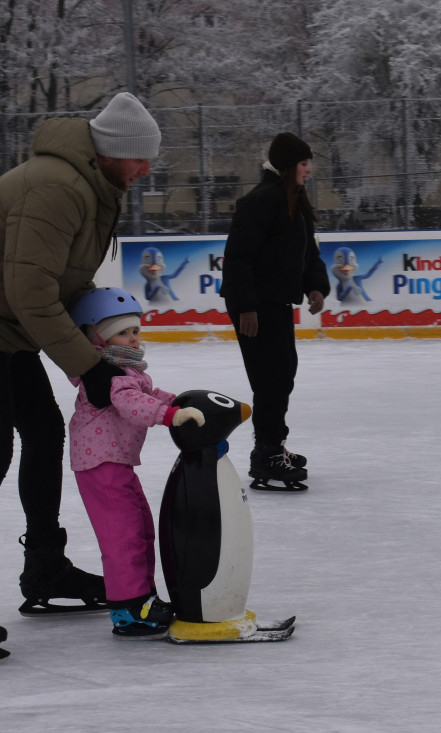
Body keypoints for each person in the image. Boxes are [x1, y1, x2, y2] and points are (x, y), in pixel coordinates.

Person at [0, 91, 162, 661]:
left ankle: (45, 566)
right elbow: (31, 291)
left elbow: (60, 284)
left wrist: (105, 340)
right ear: (115, 152)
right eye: (141, 158)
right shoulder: (58, 186)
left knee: (44, 434)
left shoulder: (96, 188)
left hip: (5, 323)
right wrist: (88, 367)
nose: (147, 170)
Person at [67, 287, 204, 639]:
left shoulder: (125, 368)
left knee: (140, 529)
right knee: (123, 536)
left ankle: (142, 598)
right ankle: (128, 608)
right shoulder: (108, 372)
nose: (133, 338)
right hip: (102, 464)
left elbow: (147, 393)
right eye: (123, 332)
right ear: (96, 336)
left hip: (115, 462)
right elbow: (134, 405)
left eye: (136, 330)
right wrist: (171, 415)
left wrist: (183, 401)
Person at [219, 132, 330, 491]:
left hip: (277, 304)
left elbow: (308, 254)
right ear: (287, 166)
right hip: (256, 308)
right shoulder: (261, 202)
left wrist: (315, 286)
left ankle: (273, 445)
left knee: (283, 375)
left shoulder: (294, 202)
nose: (308, 171)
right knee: (269, 380)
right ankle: (267, 453)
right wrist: (246, 307)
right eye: (303, 164)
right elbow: (238, 257)